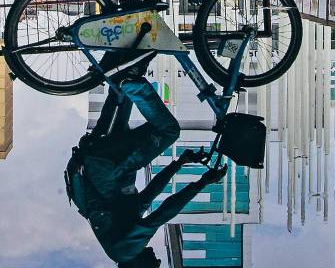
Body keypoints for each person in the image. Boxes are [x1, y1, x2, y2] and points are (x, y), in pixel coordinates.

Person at [66, 59, 226, 267]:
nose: (158, 261)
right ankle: (130, 57)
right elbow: (151, 194)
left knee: (168, 131)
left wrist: (202, 183)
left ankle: (132, 80)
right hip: (101, 161)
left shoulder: (126, 251)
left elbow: (163, 214)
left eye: (156, 266)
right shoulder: (122, 233)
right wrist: (180, 163)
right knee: (121, 89)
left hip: (108, 164)